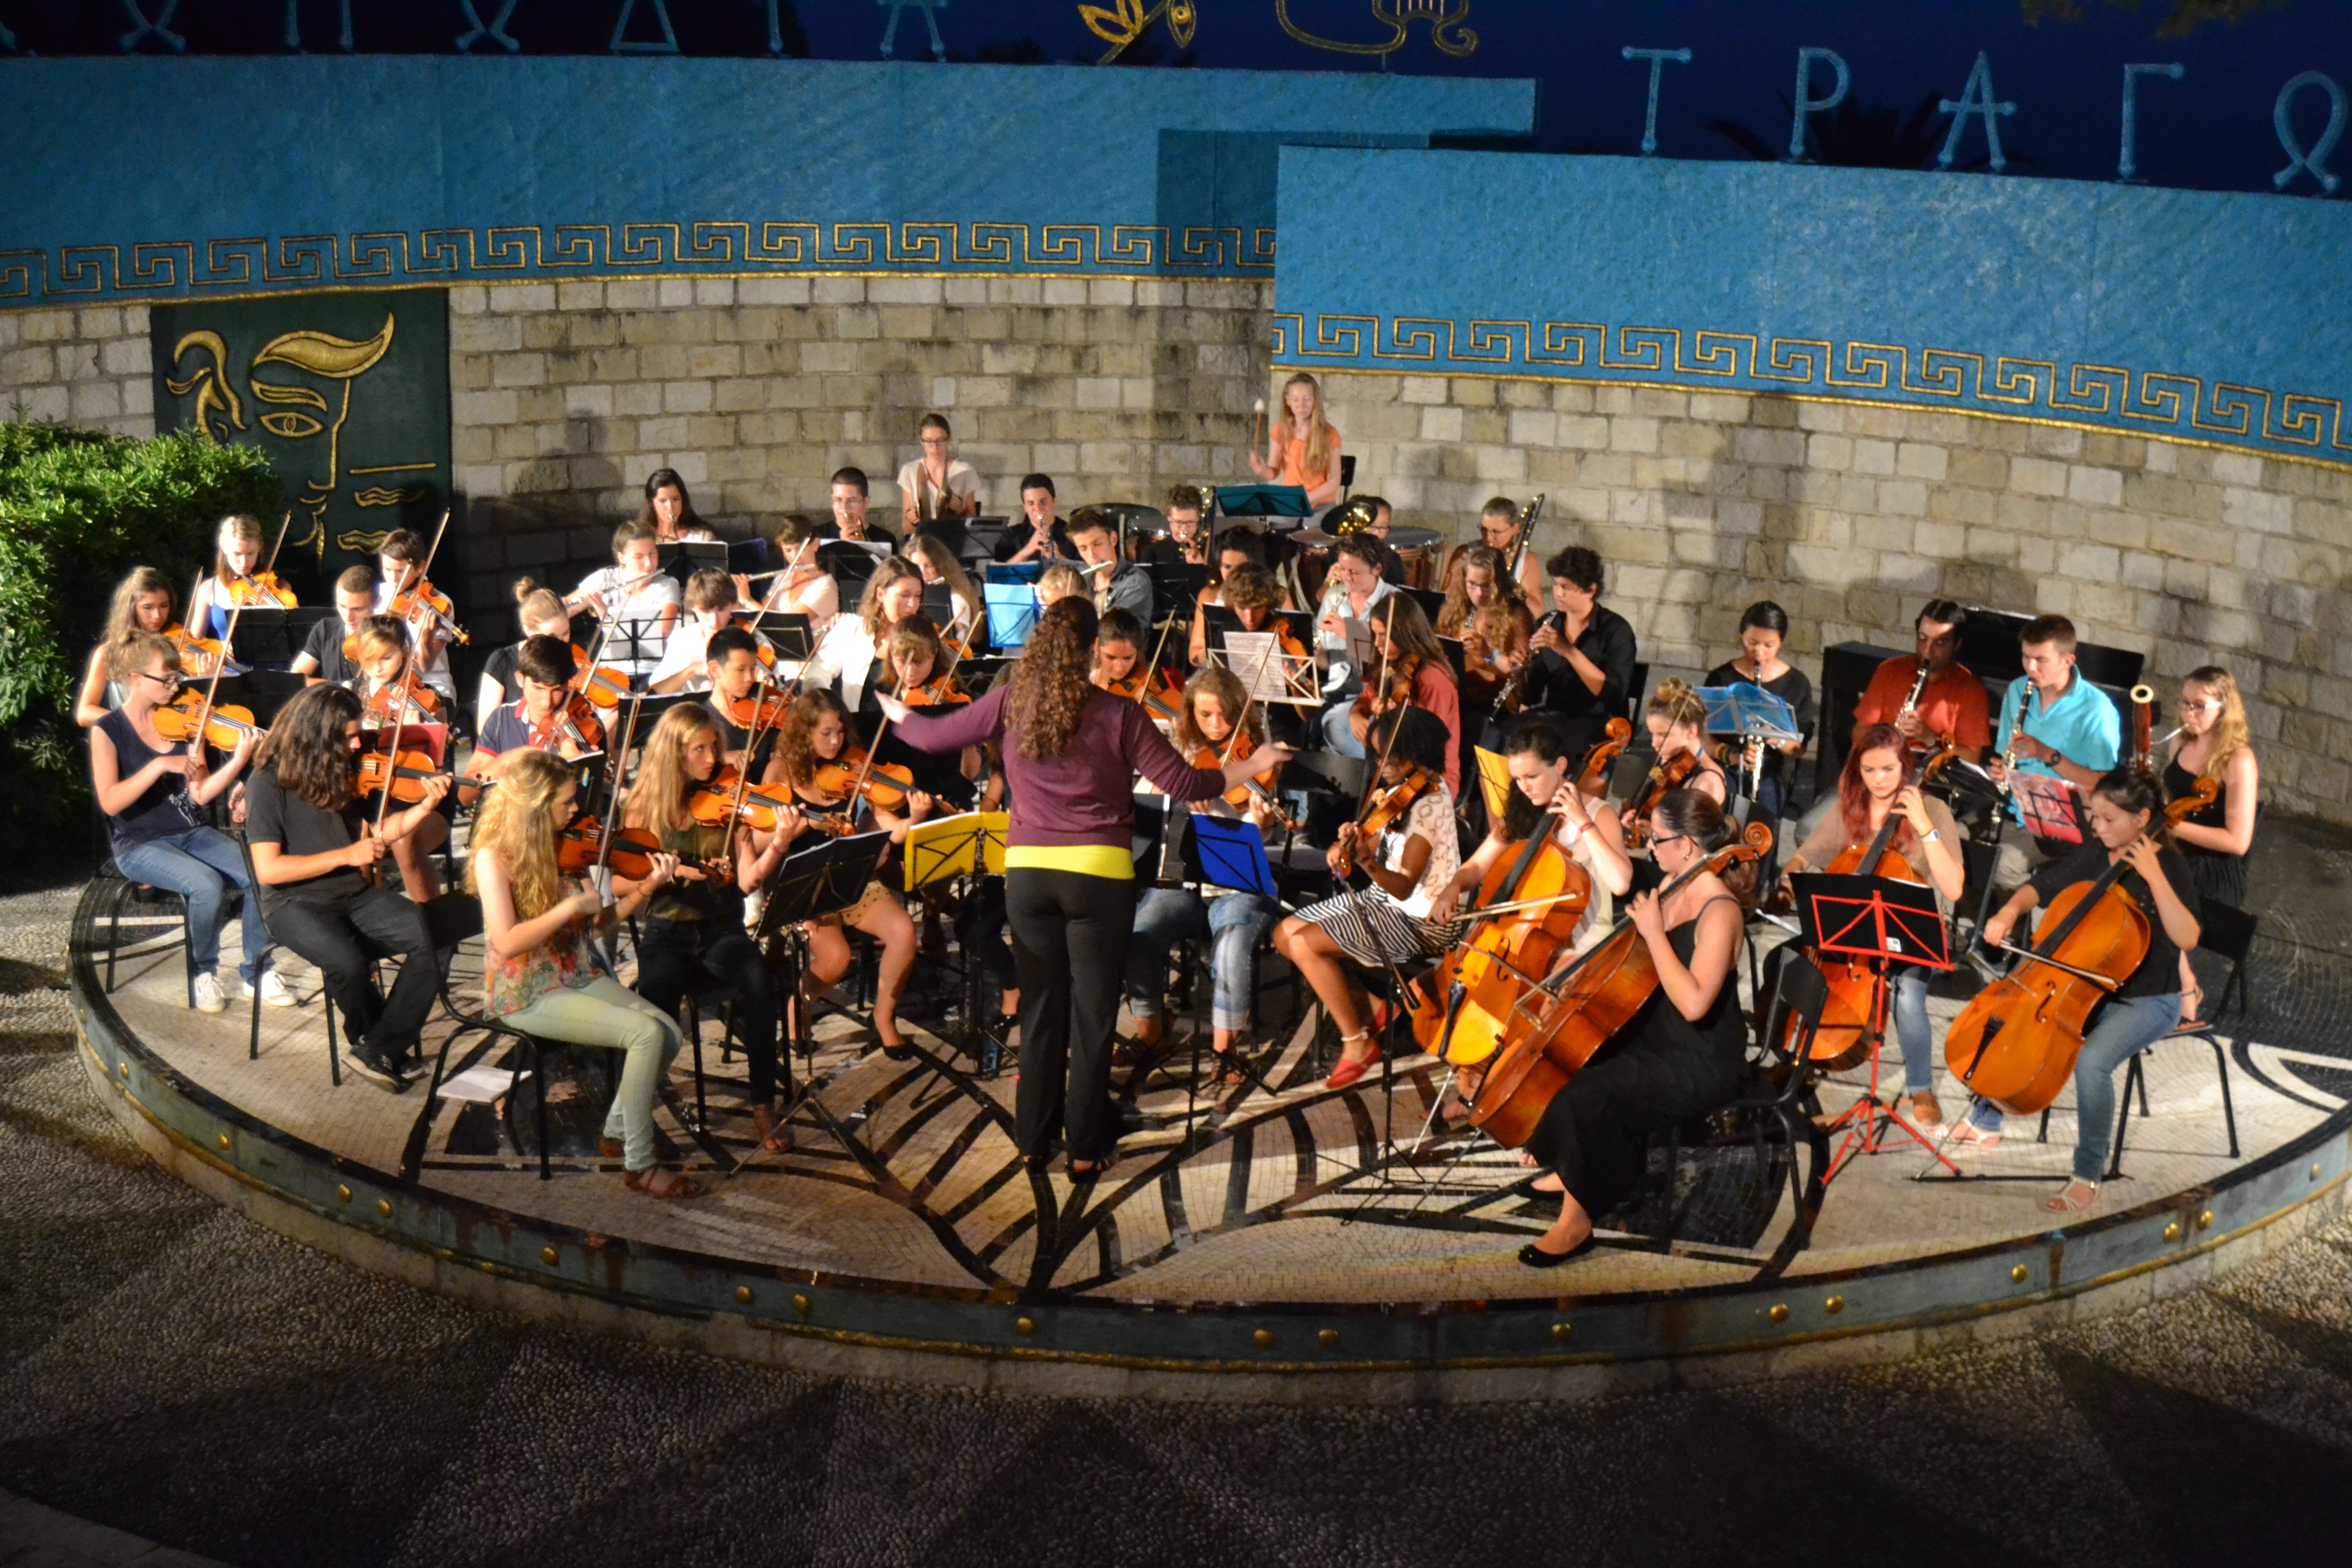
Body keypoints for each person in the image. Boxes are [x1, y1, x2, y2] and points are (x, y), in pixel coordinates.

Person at [880, 599, 1284, 1174]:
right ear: (1094, 649)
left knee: (1042, 1008)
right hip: (1097, 879)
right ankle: (1087, 1149)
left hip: (1028, 877)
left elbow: (928, 734)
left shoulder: (1010, 702)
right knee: (1094, 1014)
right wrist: (1257, 761)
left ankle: (1032, 1138)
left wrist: (891, 708)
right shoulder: (1119, 714)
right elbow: (1187, 780)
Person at [1505, 788, 1753, 1266]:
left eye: (1655, 839)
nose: (1648, 846)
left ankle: (1578, 1222)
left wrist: (1655, 933)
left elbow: (1695, 1004)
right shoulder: (1675, 884)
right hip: (1663, 1037)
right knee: (1580, 1054)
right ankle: (1580, 1164)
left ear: (1686, 845)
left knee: (1596, 1092)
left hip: (1700, 1059)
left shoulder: (1720, 910)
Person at [1948, 768, 2200, 1215]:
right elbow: (2039, 888)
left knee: (2092, 1061)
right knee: (2020, 1022)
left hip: (2146, 1000)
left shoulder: (2171, 866)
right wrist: (2008, 912)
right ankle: (1988, 1120)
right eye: (2094, 817)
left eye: (2107, 820)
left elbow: (2187, 937)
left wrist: (2154, 877)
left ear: (2143, 819)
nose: (2097, 828)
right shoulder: (2095, 854)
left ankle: (2088, 1173)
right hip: (2087, 986)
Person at [467, 746, 702, 1198]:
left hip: (574, 974)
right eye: (566, 802)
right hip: (525, 993)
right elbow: (508, 940)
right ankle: (641, 1162)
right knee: (645, 1035)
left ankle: (616, 1131)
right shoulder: (493, 858)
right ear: (534, 807)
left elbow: (594, 928)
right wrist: (571, 904)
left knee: (668, 1031)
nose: (577, 810)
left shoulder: (562, 846)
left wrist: (645, 890)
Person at [245, 683, 448, 1090]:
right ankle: (376, 1045)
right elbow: (268, 870)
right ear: (317, 737)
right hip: (292, 904)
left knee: (439, 935)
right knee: (347, 961)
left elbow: (382, 833)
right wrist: (346, 856)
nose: (358, 745)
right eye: (349, 736)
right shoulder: (265, 784)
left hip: (351, 895)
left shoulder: (341, 773)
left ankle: (378, 1047)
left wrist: (424, 808)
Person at [619, 703, 801, 1155]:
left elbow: (746, 880)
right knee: (656, 998)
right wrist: (659, 877)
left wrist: (778, 844)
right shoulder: (644, 808)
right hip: (668, 933)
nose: (711, 758)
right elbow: (620, 880)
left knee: (760, 981)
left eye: (713, 747)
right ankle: (637, 1111)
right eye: (698, 750)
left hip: (721, 930)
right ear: (672, 754)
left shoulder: (728, 798)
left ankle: (763, 1104)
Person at [1777, 724, 1965, 1130]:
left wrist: (1923, 826)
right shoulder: (1851, 805)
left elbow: (1953, 886)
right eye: (1869, 771)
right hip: (1854, 933)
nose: (1879, 781)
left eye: (1888, 770)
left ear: (1906, 767)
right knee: (1797, 967)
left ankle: (1920, 1086)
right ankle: (1799, 1063)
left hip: (1906, 933)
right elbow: (1807, 855)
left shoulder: (1932, 810)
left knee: (1908, 998)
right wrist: (1787, 876)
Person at [89, 631, 282, 1013]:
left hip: (190, 832)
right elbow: (111, 803)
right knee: (206, 885)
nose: (176, 686)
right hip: (139, 843)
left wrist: (240, 764)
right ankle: (203, 973)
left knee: (262, 873)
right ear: (136, 679)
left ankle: (256, 971)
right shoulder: (107, 731)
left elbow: (199, 794)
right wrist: (160, 765)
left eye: (177, 678)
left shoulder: (184, 722)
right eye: (168, 680)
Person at [1273, 706, 1459, 1089]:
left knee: (1307, 944)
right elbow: (1373, 839)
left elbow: (1405, 885)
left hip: (1419, 919)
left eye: (1391, 756)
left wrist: (1366, 863)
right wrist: (1349, 842)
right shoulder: (1396, 791)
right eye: (1379, 755)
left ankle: (1356, 1043)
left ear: (1418, 752)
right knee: (1283, 933)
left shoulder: (1429, 805)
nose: (1383, 765)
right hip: (1382, 899)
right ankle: (1375, 1010)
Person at [1123, 666, 1288, 1081]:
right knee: (1138, 935)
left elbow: (1259, 835)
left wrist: (1263, 822)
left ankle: (1224, 1050)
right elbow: (1141, 801)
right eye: (1205, 716)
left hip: (1236, 887)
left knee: (1231, 945)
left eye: (1225, 715)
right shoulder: (1177, 752)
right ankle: (1152, 1030)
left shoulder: (1256, 757)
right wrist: (1178, 788)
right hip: (1183, 881)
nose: (1217, 726)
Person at [773, 689, 930, 1056]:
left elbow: (891, 828)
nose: (836, 741)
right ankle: (796, 1009)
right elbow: (765, 843)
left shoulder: (854, 769)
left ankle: (884, 1017)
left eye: (840, 732)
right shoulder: (782, 772)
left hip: (852, 879)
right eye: (826, 734)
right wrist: (799, 827)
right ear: (804, 734)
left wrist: (916, 818)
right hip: (806, 886)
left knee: (904, 931)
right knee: (836, 958)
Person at [1433, 717, 1634, 961]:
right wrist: (1453, 887)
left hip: (1585, 948)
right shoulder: (1522, 812)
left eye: (1532, 776)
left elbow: (1621, 883)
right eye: (1518, 779)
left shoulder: (1600, 814)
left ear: (1560, 766)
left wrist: (1584, 823)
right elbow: (1476, 866)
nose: (1524, 788)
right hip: (1528, 944)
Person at [1987, 615, 2122, 894]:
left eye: (2040, 660)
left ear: (2067, 660)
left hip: (2063, 827)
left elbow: (2104, 783)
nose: (2030, 668)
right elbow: (2005, 754)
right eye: (2026, 657)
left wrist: (2048, 754)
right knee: (1959, 847)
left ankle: (2038, 910)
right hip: (2015, 811)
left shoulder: (2097, 710)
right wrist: (2002, 771)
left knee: (2002, 865)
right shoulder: (2016, 690)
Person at [2164, 666, 2258, 1017]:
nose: (2189, 713)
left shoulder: (2238, 760)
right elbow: (2169, 795)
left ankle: (2187, 987)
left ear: (2224, 709)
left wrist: (2172, 827)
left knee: (2154, 896)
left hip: (2214, 871)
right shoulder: (2180, 741)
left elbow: (2237, 841)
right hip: (2176, 854)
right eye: (2185, 703)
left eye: (2199, 706)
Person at [346, 617, 452, 901]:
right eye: (368, 659)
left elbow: (435, 763)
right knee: (352, 836)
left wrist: (414, 732)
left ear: (405, 652)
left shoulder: (426, 699)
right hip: (368, 794)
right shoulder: (350, 697)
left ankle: (431, 926)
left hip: (419, 796)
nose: (377, 667)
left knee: (406, 843)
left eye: (386, 657)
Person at [1324, 593, 1462, 797]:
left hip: (1429, 779)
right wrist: (1357, 715)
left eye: (1383, 635)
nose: (1377, 644)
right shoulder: (1391, 665)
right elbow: (1365, 699)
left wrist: (1392, 718)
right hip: (1393, 764)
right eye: (1375, 634)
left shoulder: (1433, 679)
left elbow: (1430, 747)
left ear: (1404, 634)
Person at [1524, 547, 1638, 769]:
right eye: (1556, 585)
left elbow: (1614, 696)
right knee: (1500, 733)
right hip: (1555, 717)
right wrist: (1521, 667)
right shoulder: (1549, 623)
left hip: (1599, 722)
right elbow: (1532, 693)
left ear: (1591, 590)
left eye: (1566, 587)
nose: (1557, 593)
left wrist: (1568, 651)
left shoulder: (1617, 631)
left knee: (1554, 744)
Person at [1704, 601, 1816, 823]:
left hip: (1769, 774)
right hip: (1725, 767)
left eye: (1769, 645)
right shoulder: (1722, 678)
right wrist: (1733, 756)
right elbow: (1702, 737)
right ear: (1741, 637)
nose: (1759, 652)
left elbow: (1799, 749)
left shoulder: (1797, 683)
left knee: (1762, 821)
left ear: (1781, 643)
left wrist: (1775, 737)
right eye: (1752, 643)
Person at [1852, 599, 1992, 766]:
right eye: (1923, 638)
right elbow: (1861, 730)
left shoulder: (1971, 691)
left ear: (1957, 645)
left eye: (1940, 643)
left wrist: (1931, 739)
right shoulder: (1889, 670)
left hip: (1934, 782)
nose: (1927, 650)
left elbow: (1972, 758)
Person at [468, 634, 602, 783]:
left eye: (557, 690)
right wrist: (506, 761)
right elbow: (465, 793)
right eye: (538, 688)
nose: (547, 702)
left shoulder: (588, 725)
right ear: (520, 679)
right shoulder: (500, 719)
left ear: (568, 685)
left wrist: (574, 764)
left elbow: (591, 798)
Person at [802, 555, 924, 712]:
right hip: (858, 727)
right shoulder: (850, 627)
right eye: (905, 595)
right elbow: (817, 674)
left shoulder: (922, 636)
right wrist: (829, 706)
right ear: (880, 594)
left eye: (918, 596)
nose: (912, 604)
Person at [565, 521, 682, 681]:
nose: (649, 563)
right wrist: (557, 606)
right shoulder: (605, 578)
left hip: (652, 671)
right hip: (610, 671)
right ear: (622, 558)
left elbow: (661, 635)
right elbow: (564, 611)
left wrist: (606, 616)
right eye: (639, 557)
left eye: (653, 553)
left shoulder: (667, 585)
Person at [77, 567, 178, 726]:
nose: (158, 615)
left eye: (164, 606)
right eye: (148, 607)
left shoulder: (177, 644)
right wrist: (131, 721)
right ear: (131, 608)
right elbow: (84, 713)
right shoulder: (108, 653)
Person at [474, 578, 575, 730]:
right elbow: (486, 727)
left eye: (566, 633)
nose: (561, 643)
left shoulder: (569, 659)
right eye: (552, 637)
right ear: (529, 631)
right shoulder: (502, 661)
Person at [373, 529, 459, 703]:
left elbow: (426, 667)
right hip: (388, 688)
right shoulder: (378, 598)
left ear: (420, 567)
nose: (393, 579)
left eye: (400, 572)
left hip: (430, 688)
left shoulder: (439, 604)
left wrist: (425, 638)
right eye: (387, 570)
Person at [1313, 534, 1396, 698]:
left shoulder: (1394, 601)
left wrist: (1349, 633)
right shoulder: (1333, 597)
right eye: (1343, 569)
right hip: (1336, 689)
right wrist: (1319, 653)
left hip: (1376, 693)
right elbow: (1325, 664)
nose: (1347, 578)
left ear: (1377, 569)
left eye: (1355, 572)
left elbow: (1392, 660)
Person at [1248, 372, 1343, 510]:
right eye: (1296, 400)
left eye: (1307, 399)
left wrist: (1305, 499)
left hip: (1320, 502)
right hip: (1290, 500)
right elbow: (1273, 473)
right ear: (1288, 401)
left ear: (1315, 400)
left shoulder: (1330, 435)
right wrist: (1261, 470)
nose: (1301, 405)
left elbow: (1334, 482)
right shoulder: (1280, 429)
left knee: (1308, 532)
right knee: (1276, 532)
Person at [649, 568, 742, 694]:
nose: (714, 621)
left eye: (722, 610)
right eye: (706, 611)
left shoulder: (749, 637)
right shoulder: (681, 639)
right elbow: (655, 691)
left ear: (734, 604)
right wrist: (692, 670)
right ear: (693, 607)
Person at [1446, 496, 1544, 615]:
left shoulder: (1526, 560)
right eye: (1484, 530)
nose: (1488, 538)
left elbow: (1537, 612)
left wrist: (1514, 589)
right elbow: (1447, 600)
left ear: (1515, 528)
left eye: (1496, 532)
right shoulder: (1465, 554)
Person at [289, 566, 381, 691]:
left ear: (377, 602)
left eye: (357, 609)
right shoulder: (326, 629)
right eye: (342, 606)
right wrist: (336, 686)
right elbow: (296, 676)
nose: (349, 617)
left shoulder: (385, 637)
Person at [1640, 680, 1728, 807]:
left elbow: (1690, 827)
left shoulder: (1708, 782)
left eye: (1664, 735)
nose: (1654, 743)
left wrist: (1650, 826)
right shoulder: (1667, 765)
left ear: (1691, 732)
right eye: (1653, 734)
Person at [1066, 507, 1153, 624]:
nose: (1092, 555)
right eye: (1083, 548)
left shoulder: (1136, 582)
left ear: (1113, 539)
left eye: (1097, 544)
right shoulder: (1079, 578)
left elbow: (1113, 632)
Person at [189, 514, 266, 640]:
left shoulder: (278, 587)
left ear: (259, 548)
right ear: (224, 547)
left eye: (250, 554)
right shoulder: (208, 589)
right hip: (224, 659)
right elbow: (195, 641)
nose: (244, 562)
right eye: (237, 554)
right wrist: (220, 647)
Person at [897, 413, 981, 527]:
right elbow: (905, 527)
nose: (935, 447)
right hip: (922, 540)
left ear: (949, 440)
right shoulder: (910, 471)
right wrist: (912, 520)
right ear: (922, 441)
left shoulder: (965, 471)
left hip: (954, 539)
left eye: (940, 440)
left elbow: (974, 521)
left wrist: (961, 511)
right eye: (929, 441)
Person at [903, 533, 984, 651]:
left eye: (928, 566)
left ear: (941, 567)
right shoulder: (907, 598)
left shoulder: (957, 599)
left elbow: (950, 636)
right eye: (915, 567)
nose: (922, 573)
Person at [998, 473, 1071, 565]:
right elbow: (1001, 571)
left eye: (1043, 502)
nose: (1038, 508)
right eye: (1031, 503)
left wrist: (1059, 558)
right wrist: (1028, 549)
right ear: (1024, 507)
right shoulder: (1010, 535)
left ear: (1055, 501)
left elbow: (1085, 573)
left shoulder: (1072, 533)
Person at [639, 467, 717, 542]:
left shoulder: (701, 538)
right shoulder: (641, 538)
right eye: (662, 501)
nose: (670, 507)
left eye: (676, 499)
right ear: (652, 503)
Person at [1143, 484, 1211, 570]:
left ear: (1199, 519)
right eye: (1179, 522)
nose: (1184, 529)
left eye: (1190, 522)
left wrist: (1201, 567)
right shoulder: (1153, 553)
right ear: (1169, 519)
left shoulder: (1209, 550)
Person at [828, 468, 899, 549]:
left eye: (852, 500)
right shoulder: (818, 536)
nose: (844, 507)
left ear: (866, 502)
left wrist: (865, 547)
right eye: (838, 500)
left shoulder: (886, 539)